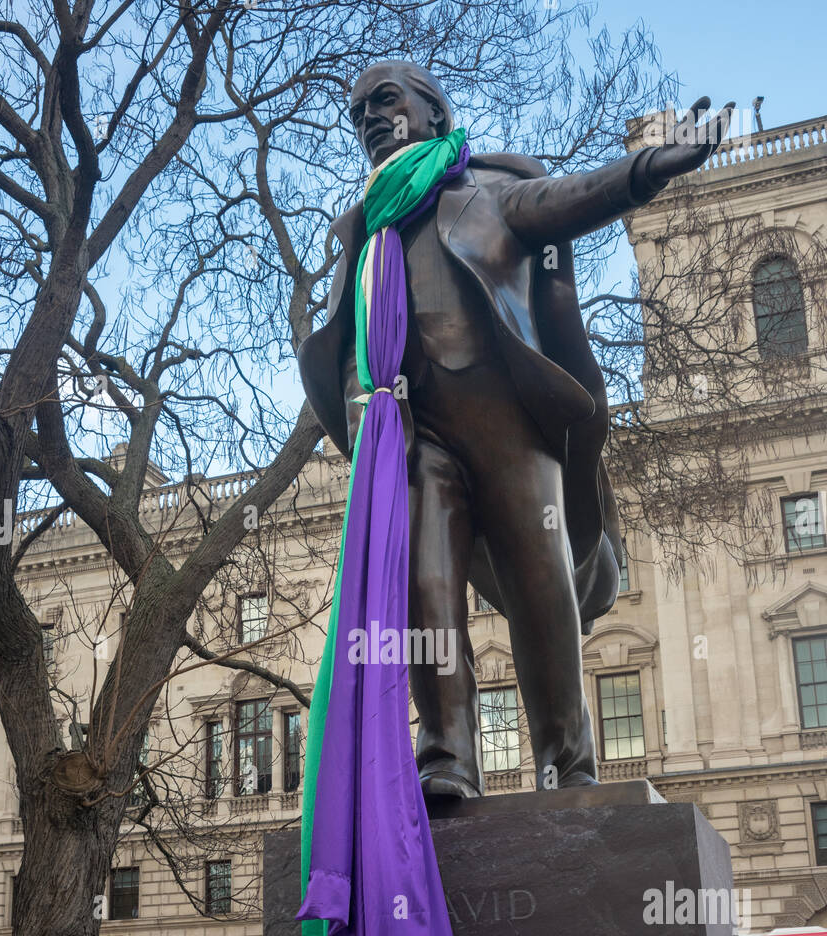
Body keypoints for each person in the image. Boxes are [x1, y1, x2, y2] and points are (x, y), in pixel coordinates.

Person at [298, 64, 733, 796]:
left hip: (506, 428)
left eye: (385, 100)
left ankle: (567, 764)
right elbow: (348, 345)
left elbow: (568, 199)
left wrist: (647, 170)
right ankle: (447, 760)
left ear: (430, 113)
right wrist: (359, 413)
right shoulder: (362, 232)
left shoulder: (488, 193)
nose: (369, 117)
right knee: (425, 591)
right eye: (357, 112)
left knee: (541, 589)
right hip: (410, 437)